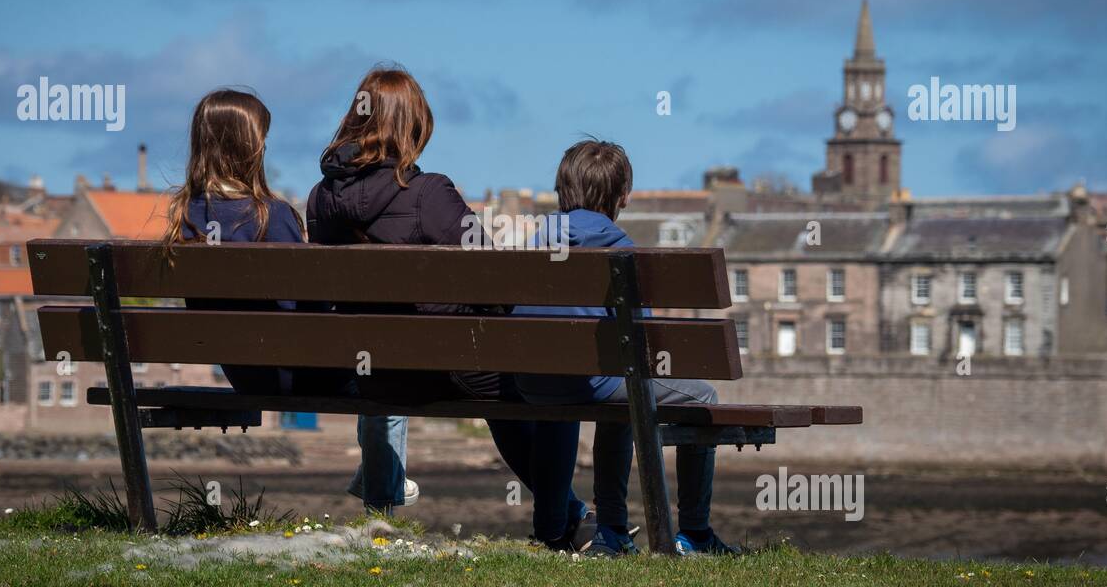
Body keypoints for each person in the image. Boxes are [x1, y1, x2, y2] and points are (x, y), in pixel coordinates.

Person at [306, 63, 592, 548]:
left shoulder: (319, 201)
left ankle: (572, 516)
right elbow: (493, 279)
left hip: (372, 374)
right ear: (413, 126)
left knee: (500, 382)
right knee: (537, 384)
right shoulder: (428, 193)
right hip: (441, 370)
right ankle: (562, 524)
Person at [160, 88, 414, 512]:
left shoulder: (185, 219)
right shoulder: (270, 216)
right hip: (295, 372)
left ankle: (377, 476)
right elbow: (310, 313)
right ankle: (381, 498)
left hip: (243, 373)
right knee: (389, 368)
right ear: (251, 147)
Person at [513, 139, 741, 557]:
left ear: (563, 190)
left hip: (533, 383)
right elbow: (644, 343)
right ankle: (690, 532)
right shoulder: (620, 252)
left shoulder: (528, 245)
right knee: (687, 392)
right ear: (622, 198)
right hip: (594, 382)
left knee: (616, 383)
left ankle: (552, 532)